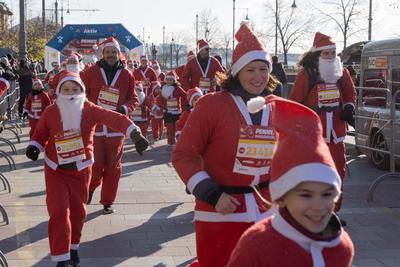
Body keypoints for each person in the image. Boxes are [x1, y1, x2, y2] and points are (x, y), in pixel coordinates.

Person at [172, 22, 281, 267]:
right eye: (250, 69)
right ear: (237, 73)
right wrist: (211, 194)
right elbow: (183, 156)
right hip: (221, 211)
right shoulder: (212, 105)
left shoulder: (274, 107)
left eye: (263, 69)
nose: (258, 77)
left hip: (266, 212)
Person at [24, 72, 148, 267]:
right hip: (55, 169)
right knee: (58, 212)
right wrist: (34, 146)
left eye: (75, 89)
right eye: (66, 89)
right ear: (59, 92)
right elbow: (40, 133)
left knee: (78, 212)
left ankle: (72, 248)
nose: (71, 93)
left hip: (81, 169)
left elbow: (114, 118)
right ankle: (61, 258)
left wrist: (135, 133)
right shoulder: (51, 111)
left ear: (82, 90)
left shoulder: (89, 109)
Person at [227, 96, 354, 267]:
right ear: (282, 197)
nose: (318, 205)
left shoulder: (342, 246)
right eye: (305, 195)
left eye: (327, 194)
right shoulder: (256, 245)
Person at [289, 32, 356, 213]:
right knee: (315, 176)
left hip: (336, 134)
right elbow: (295, 101)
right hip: (314, 136)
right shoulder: (306, 74)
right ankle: (315, 213)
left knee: (338, 174)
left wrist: (349, 107)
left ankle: (333, 213)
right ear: (317, 54)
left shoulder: (342, 72)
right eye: (326, 53)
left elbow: (350, 93)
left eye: (333, 53)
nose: (330, 57)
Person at [80, 36, 141, 214]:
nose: (111, 55)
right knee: (95, 164)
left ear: (118, 54)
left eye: (114, 52)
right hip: (96, 128)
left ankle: (107, 201)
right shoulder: (90, 72)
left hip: (116, 129)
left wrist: (125, 108)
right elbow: (79, 92)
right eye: (108, 52)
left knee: (113, 168)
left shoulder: (127, 75)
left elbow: (134, 99)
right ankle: (90, 189)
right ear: (102, 53)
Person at [153, 71, 187, 150]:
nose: (169, 81)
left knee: (177, 128)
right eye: (167, 79)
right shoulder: (163, 89)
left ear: (174, 80)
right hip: (167, 112)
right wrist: (156, 107)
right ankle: (170, 143)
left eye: (170, 80)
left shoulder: (177, 88)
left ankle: (179, 143)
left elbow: (185, 95)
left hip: (177, 112)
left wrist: (187, 105)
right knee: (169, 129)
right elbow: (160, 99)